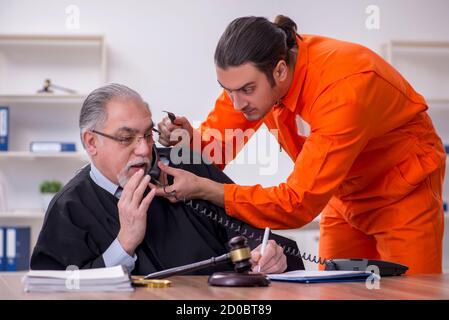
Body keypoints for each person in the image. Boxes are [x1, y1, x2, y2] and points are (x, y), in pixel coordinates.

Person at [155, 15, 446, 274]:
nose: (236, 103)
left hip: (402, 194)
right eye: (227, 91)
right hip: (341, 195)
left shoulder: (343, 88)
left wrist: (209, 189)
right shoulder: (250, 82)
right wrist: (187, 142)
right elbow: (214, 149)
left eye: (246, 90)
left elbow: (297, 203)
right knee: (333, 290)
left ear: (280, 71)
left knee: (411, 292)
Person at [30, 83, 303, 275]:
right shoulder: (69, 208)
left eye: (148, 135)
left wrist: (268, 254)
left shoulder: (186, 167)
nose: (144, 149)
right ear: (91, 142)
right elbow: (58, 289)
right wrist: (124, 243)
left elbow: (250, 235)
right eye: (126, 138)